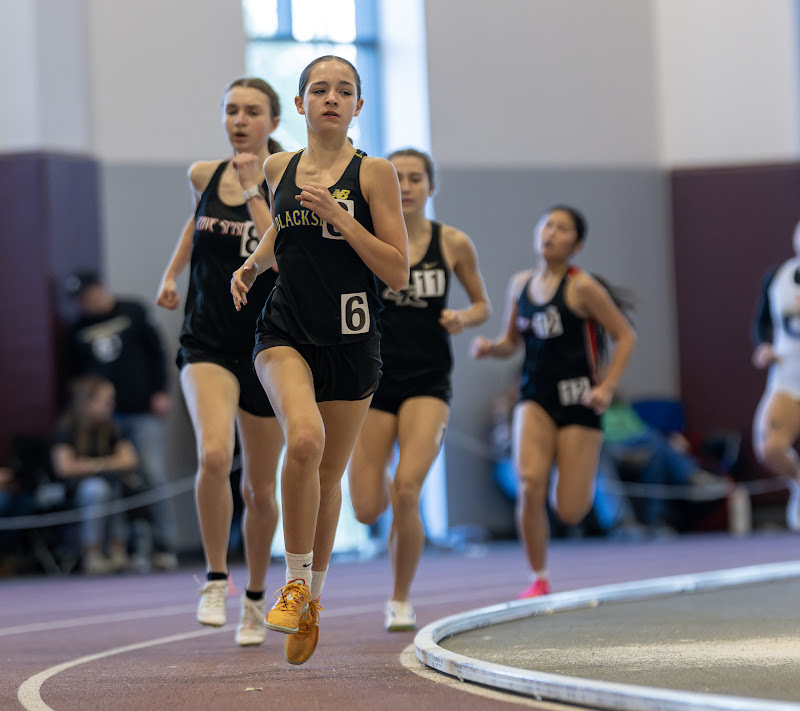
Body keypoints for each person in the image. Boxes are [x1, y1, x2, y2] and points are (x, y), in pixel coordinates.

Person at [230, 55, 408, 664]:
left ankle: (311, 597)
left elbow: (397, 271)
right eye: (320, 89)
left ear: (358, 105)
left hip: (353, 340)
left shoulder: (375, 173)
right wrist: (254, 264)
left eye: (344, 90)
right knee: (303, 440)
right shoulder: (278, 166)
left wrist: (340, 217)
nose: (331, 98)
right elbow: (282, 230)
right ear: (300, 103)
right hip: (285, 329)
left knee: (329, 478)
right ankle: (293, 584)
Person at [156, 77, 284, 646]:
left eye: (252, 111)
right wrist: (170, 274)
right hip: (205, 338)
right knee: (213, 453)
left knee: (259, 488)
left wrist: (254, 186)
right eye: (231, 110)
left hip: (267, 344)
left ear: (273, 121)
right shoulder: (203, 174)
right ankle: (215, 579)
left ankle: (255, 597)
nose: (239, 120)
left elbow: (276, 251)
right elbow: (197, 223)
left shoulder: (287, 178)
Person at [346, 148, 491, 631]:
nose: (406, 187)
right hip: (372, 381)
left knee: (407, 488)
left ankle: (400, 598)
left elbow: (483, 305)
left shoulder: (452, 242)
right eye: (398, 178)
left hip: (428, 381)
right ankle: (380, 494)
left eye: (415, 178)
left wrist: (463, 317)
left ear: (430, 186)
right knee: (367, 509)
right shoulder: (363, 236)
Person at [471, 205, 636, 598]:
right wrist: (491, 348)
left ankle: (574, 475)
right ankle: (538, 577)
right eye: (547, 224)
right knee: (529, 483)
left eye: (562, 228)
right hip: (535, 397)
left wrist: (607, 387)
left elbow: (625, 335)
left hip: (579, 401)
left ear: (576, 245)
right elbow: (512, 342)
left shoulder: (583, 288)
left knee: (570, 509)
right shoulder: (520, 284)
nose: (551, 232)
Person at [64, 271, 178, 573]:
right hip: (105, 420)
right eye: (79, 300)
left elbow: (157, 353)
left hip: (141, 409)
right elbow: (75, 375)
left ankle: (164, 545)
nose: (85, 303)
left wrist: (160, 391)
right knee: (114, 482)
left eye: (87, 295)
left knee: (152, 475)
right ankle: (119, 550)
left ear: (99, 288)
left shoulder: (132, 311)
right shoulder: (77, 329)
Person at [51, 375, 144, 574]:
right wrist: (107, 464)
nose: (112, 405)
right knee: (97, 488)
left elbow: (130, 460)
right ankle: (91, 553)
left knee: (114, 485)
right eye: (106, 401)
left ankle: (118, 551)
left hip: (111, 486)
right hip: (75, 492)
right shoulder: (67, 427)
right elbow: (65, 467)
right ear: (88, 402)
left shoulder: (113, 427)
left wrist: (93, 465)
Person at [751, 218, 800, 531]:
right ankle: (798, 482)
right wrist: (764, 346)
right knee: (769, 446)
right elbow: (762, 322)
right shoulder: (779, 277)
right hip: (789, 375)